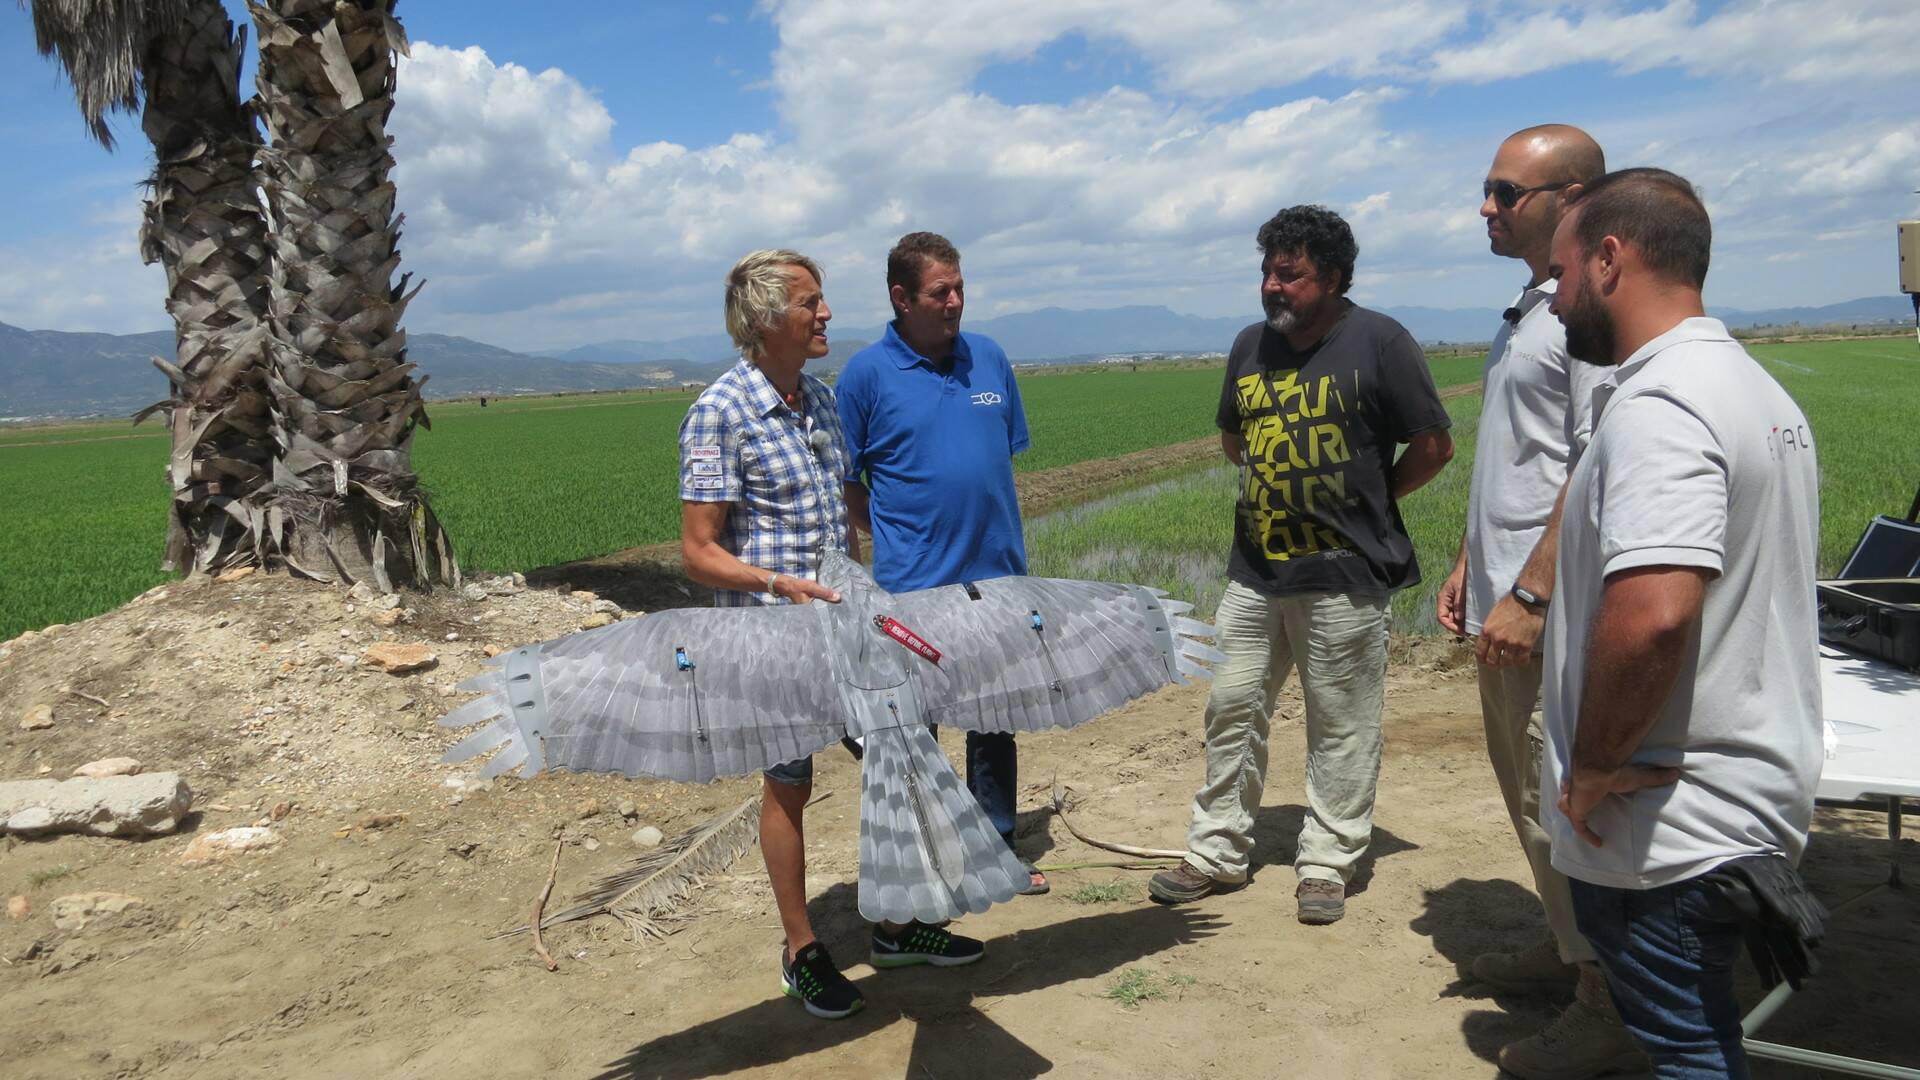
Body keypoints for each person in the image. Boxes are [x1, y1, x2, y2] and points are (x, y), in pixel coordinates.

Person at [1540, 168, 1821, 1077]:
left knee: (1692, 1055)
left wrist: (1590, 768)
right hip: (1731, 804)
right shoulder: (1757, 392)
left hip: (1666, 830)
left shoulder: (1660, 406)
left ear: (1611, 260)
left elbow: (1655, 615)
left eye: (1563, 273)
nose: (1555, 299)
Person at [678, 249, 982, 1023]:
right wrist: (778, 584)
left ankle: (895, 925)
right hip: (774, 635)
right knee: (789, 784)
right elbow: (699, 552)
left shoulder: (818, 400)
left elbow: (843, 508)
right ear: (767, 317)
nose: (826, 315)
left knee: (902, 750)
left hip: (847, 625)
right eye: (811, 303)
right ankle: (801, 949)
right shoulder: (720, 411)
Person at [1149, 206, 1454, 924]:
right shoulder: (1250, 346)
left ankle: (1326, 860)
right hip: (1254, 571)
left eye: (1291, 274)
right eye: (1266, 272)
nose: (1272, 286)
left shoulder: (1380, 341)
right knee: (1230, 704)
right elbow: (1234, 439)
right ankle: (1218, 849)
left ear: (1335, 277)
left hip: (1345, 574)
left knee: (1341, 721)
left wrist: (1367, 500)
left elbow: (1434, 445)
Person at [1432, 125, 1642, 1079]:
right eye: (1487, 189)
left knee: (1556, 795)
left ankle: (1608, 1001)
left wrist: (1530, 587)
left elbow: (1596, 463)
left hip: (1547, 610)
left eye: (1506, 192)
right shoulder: (1531, 308)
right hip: (1506, 592)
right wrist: (1471, 561)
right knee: (1523, 795)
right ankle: (1569, 955)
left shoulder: (1586, 318)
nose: (1487, 206)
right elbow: (1525, 460)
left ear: (1574, 197)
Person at [835, 231, 1049, 895]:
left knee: (993, 721)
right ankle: (927, 863)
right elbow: (845, 480)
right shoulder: (866, 376)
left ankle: (998, 848)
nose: (955, 301)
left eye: (959, 288)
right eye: (939, 292)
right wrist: (894, 534)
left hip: (997, 582)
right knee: (912, 735)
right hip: (915, 591)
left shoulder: (989, 359)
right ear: (901, 298)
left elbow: (994, 460)